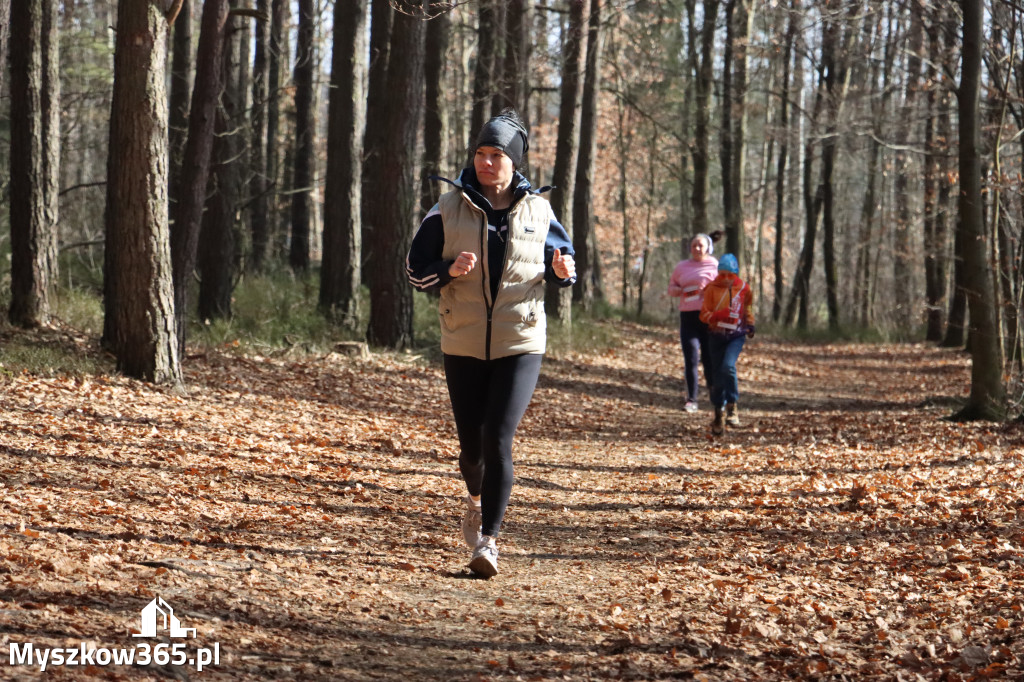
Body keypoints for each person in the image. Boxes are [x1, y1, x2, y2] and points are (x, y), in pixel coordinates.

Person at [406, 109, 576, 578]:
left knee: (499, 436)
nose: (485, 162)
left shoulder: (539, 211)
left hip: (521, 339)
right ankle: (475, 498)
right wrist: (447, 272)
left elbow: (565, 263)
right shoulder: (447, 208)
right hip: (461, 340)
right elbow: (414, 270)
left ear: (514, 161)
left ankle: (489, 540)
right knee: (472, 449)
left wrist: (563, 274)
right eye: (480, 153)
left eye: (496, 154)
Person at [699, 253, 755, 436]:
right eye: (721, 274)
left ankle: (732, 404)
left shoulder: (744, 289)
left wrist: (751, 324)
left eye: (729, 275)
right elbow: (703, 314)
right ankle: (718, 412)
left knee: (728, 367)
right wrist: (717, 316)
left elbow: (747, 309)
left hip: (736, 336)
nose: (725, 279)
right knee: (716, 375)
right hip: (716, 335)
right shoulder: (711, 289)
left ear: (736, 274)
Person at [667, 232, 721, 412]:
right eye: (694, 246)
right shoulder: (681, 267)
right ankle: (691, 400)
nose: (697, 248)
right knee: (691, 357)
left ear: (708, 248)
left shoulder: (715, 265)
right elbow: (671, 287)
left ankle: (716, 397)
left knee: (709, 358)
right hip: (688, 318)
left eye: (701, 245)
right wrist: (678, 290)